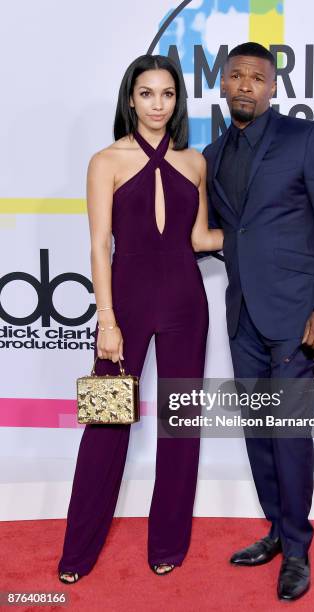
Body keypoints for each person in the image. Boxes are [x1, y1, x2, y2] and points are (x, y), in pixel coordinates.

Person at [57, 54, 223, 583]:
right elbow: (97, 245)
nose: (157, 104)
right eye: (147, 93)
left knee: (181, 427)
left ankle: (168, 543)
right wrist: (106, 319)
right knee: (105, 424)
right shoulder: (105, 160)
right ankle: (77, 552)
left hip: (185, 304)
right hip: (123, 306)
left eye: (167, 94)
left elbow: (199, 239)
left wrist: (260, 234)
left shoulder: (195, 162)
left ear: (177, 101)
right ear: (131, 98)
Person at [202, 42, 314, 602]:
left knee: (289, 434)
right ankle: (274, 527)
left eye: (257, 78)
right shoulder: (213, 153)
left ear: (272, 87)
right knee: (259, 432)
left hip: (297, 315)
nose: (245, 86)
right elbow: (220, 233)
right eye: (236, 76)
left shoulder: (305, 138)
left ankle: (297, 549)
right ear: (222, 82)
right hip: (242, 313)